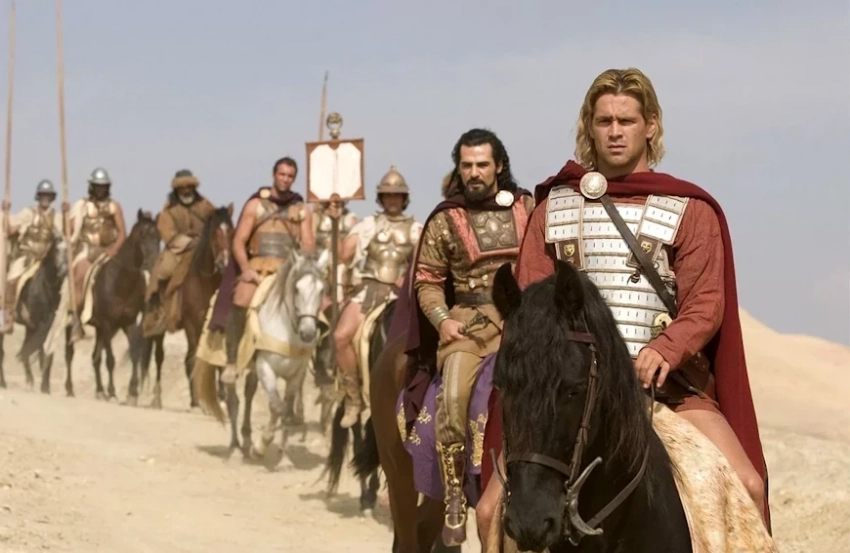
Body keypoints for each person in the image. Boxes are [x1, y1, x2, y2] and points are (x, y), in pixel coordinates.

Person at [475, 67, 771, 544]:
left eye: (626, 121)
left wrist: (665, 349)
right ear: (589, 127)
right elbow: (530, 304)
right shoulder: (554, 207)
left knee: (747, 487)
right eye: (604, 121)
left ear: (650, 126)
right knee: (490, 512)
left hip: (666, 391)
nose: (615, 132)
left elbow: (705, 303)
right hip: (568, 394)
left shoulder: (688, 208)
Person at [402, 129, 535, 546]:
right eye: (467, 165)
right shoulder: (445, 218)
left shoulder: (527, 207)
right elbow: (427, 280)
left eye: (482, 164)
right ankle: (455, 496)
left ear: (499, 166)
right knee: (455, 394)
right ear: (458, 169)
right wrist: (442, 321)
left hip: (523, 317)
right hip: (469, 322)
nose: (474, 173)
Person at [210, 156, 315, 387]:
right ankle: (231, 361)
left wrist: (302, 265)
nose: (285, 179)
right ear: (274, 175)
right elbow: (239, 241)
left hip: (287, 272)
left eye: (290, 176)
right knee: (240, 299)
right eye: (282, 174)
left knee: (318, 306)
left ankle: (318, 364)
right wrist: (246, 269)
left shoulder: (301, 210)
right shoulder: (256, 205)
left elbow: (308, 245)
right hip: (258, 269)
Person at [334, 166, 421, 428]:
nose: (392, 200)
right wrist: (337, 225)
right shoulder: (367, 226)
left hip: (401, 295)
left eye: (397, 195)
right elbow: (343, 254)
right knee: (341, 337)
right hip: (370, 289)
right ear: (381, 198)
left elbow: (423, 261)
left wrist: (408, 278)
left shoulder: (416, 229)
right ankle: (352, 397)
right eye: (388, 195)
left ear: (404, 198)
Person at [143, 169, 216, 335]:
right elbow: (168, 234)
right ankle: (159, 311)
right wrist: (189, 243)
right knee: (162, 272)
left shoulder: (205, 205)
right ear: (177, 189)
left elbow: (215, 223)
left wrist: (205, 242)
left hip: (204, 249)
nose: (186, 190)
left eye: (189, 186)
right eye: (183, 187)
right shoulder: (169, 209)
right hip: (178, 250)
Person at [1, 179, 65, 332]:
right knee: (11, 279)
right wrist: (5, 212)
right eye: (43, 195)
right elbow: (10, 229)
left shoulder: (56, 217)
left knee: (64, 280)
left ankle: (65, 315)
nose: (45, 198)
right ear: (38, 196)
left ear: (52, 198)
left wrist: (66, 213)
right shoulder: (28, 213)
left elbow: (65, 235)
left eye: (48, 195)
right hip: (27, 257)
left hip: (47, 260)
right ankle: (8, 317)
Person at [311, 200, 358, 390]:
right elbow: (306, 245)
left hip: (342, 272)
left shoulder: (351, 219)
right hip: (316, 271)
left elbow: (352, 252)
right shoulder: (315, 218)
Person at [67, 167, 126, 312]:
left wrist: (115, 249)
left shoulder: (114, 206)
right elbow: (69, 229)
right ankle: (75, 312)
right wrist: (65, 215)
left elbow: (122, 232)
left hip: (108, 251)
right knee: (80, 273)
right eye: (97, 186)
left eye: (103, 187)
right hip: (86, 250)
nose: (100, 190)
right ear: (92, 187)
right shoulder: (82, 205)